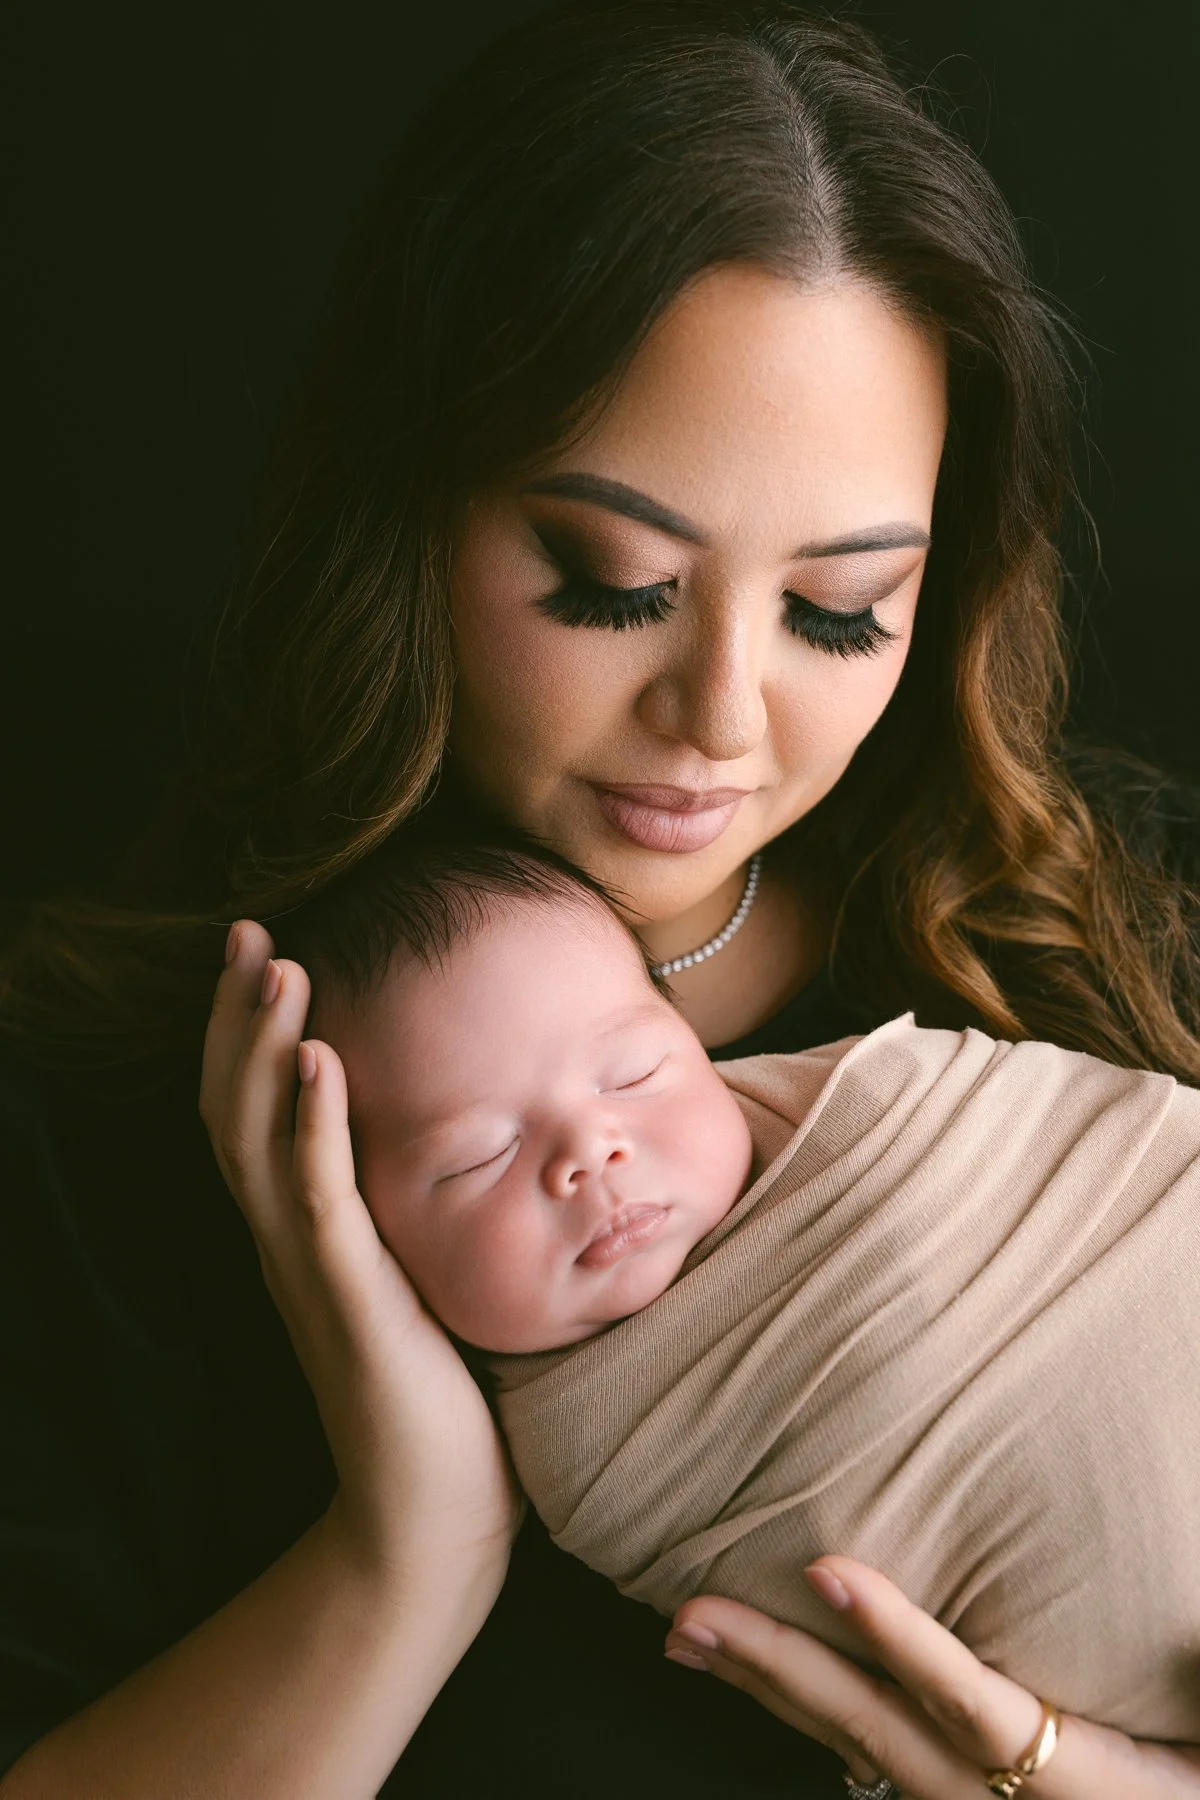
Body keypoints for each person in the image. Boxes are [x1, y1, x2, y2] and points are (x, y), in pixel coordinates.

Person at [2, 2, 1199, 1795]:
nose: (721, 718)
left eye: (839, 610)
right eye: (612, 580)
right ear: (407, 510)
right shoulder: (121, 1120)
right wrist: (407, 1548)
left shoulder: (1078, 968)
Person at [273, 820, 1200, 1746]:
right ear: (364, 1225)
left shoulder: (893, 1116)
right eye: (481, 1156)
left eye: (634, 1072)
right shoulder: (583, 1462)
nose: (589, 1151)